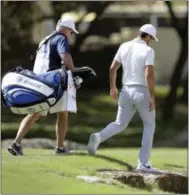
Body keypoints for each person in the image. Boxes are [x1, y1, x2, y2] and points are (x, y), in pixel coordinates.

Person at [88, 24, 158, 172]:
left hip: (125, 91)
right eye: (152, 38)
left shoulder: (124, 46)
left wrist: (113, 87)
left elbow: (113, 68)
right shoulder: (148, 50)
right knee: (149, 124)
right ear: (149, 37)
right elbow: (148, 75)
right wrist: (152, 96)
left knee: (119, 123)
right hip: (141, 91)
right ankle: (143, 164)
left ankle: (98, 137)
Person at [8, 16, 79, 156]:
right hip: (54, 80)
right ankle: (59, 147)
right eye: (71, 32)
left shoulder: (44, 40)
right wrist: (74, 74)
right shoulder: (61, 38)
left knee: (33, 113)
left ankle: (16, 143)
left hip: (38, 81)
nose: (71, 35)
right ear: (67, 29)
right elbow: (65, 56)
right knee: (63, 113)